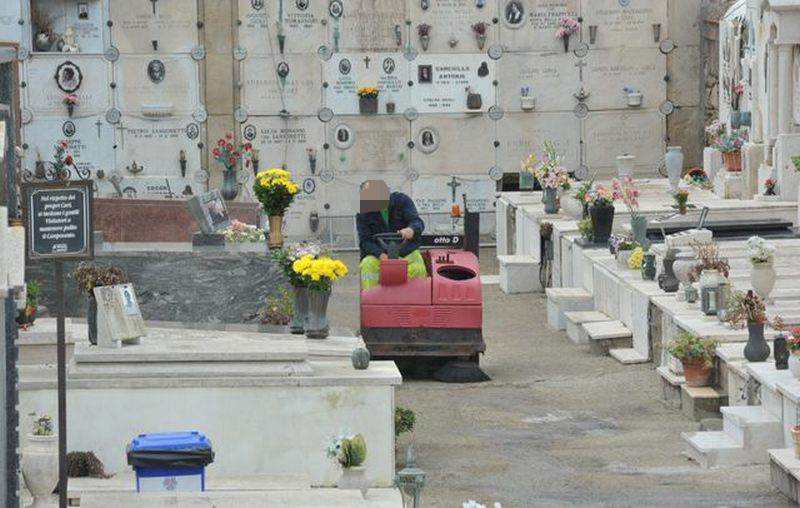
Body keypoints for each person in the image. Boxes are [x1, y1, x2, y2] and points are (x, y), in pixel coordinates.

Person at [357, 180, 426, 290]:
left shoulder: (402, 201)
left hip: (406, 251)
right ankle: (372, 299)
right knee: (367, 265)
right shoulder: (363, 214)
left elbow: (417, 221)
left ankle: (413, 299)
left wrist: (411, 229)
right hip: (379, 255)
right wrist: (381, 255)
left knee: (418, 268)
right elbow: (365, 241)